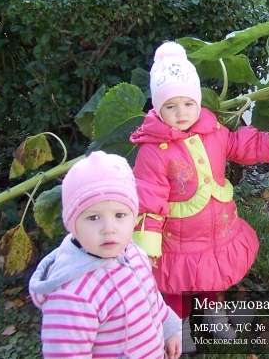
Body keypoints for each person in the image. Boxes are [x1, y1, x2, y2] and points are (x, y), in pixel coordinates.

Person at [129, 41, 269, 353]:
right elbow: (148, 198)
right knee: (174, 289)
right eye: (171, 106)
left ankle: (215, 318)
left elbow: (244, 146)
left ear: (198, 100)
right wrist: (147, 245)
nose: (181, 113)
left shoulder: (213, 129)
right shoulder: (153, 150)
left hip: (217, 231)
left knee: (211, 280)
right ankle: (178, 333)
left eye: (188, 104)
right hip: (177, 241)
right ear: (158, 107)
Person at [29, 151, 182, 359]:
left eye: (120, 215)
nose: (109, 228)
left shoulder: (134, 254)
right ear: (72, 225)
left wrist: (169, 328)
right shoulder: (73, 296)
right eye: (93, 217)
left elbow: (151, 298)